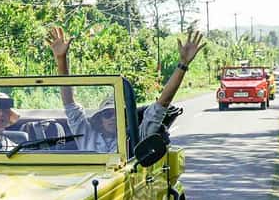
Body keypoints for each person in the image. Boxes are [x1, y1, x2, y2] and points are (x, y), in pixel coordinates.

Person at [46, 26, 206, 149]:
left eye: (117, 114)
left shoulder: (136, 138)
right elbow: (69, 104)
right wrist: (61, 59)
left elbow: (161, 105)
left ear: (125, 118)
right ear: (99, 119)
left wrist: (183, 65)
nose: (112, 118)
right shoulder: (87, 135)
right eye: (107, 114)